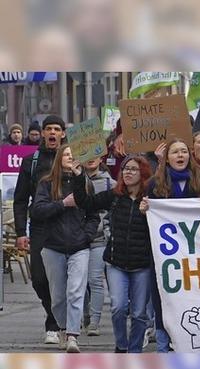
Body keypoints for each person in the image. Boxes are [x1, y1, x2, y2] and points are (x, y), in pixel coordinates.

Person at [73, 155, 154, 353]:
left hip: (142, 265)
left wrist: (149, 213)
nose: (128, 172)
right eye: (125, 169)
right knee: (118, 308)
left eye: (133, 169)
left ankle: (134, 351)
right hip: (116, 263)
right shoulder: (115, 196)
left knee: (138, 313)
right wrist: (78, 176)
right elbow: (85, 202)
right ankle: (121, 345)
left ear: (142, 173)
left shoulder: (152, 199)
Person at [140, 138, 200, 352]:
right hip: (167, 258)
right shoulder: (155, 184)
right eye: (175, 152)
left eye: (184, 151)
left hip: (194, 256)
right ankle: (164, 348)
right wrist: (145, 210)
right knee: (165, 300)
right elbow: (149, 223)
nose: (180, 156)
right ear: (167, 158)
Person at [32, 145, 100, 352]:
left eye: (74, 154)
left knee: (76, 291)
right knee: (58, 296)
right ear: (60, 158)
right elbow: (37, 210)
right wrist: (63, 204)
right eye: (67, 154)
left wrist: (86, 236)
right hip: (53, 246)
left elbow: (93, 215)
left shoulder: (85, 183)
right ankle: (62, 327)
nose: (71, 157)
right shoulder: (47, 183)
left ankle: (72, 335)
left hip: (79, 246)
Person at [13, 115, 66, 344]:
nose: (52, 132)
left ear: (63, 133)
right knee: (39, 279)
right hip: (40, 225)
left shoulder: (72, 158)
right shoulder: (30, 161)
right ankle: (53, 315)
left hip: (67, 223)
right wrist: (20, 232)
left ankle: (58, 324)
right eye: (48, 129)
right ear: (43, 133)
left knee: (65, 278)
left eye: (57, 129)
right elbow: (20, 199)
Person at [81, 157, 116, 336]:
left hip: (100, 238)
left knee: (94, 279)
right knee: (79, 281)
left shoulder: (111, 183)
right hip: (77, 238)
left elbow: (113, 211)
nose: (90, 158)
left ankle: (94, 321)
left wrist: (108, 231)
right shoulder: (73, 179)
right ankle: (84, 316)